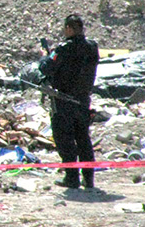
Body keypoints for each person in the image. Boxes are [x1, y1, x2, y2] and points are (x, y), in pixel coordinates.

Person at [39, 14, 100, 189]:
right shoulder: (92, 47)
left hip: (64, 101)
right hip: (83, 100)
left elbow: (46, 67)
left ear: (69, 29)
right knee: (83, 139)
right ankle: (89, 179)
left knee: (64, 139)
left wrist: (45, 56)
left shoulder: (64, 48)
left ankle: (72, 178)